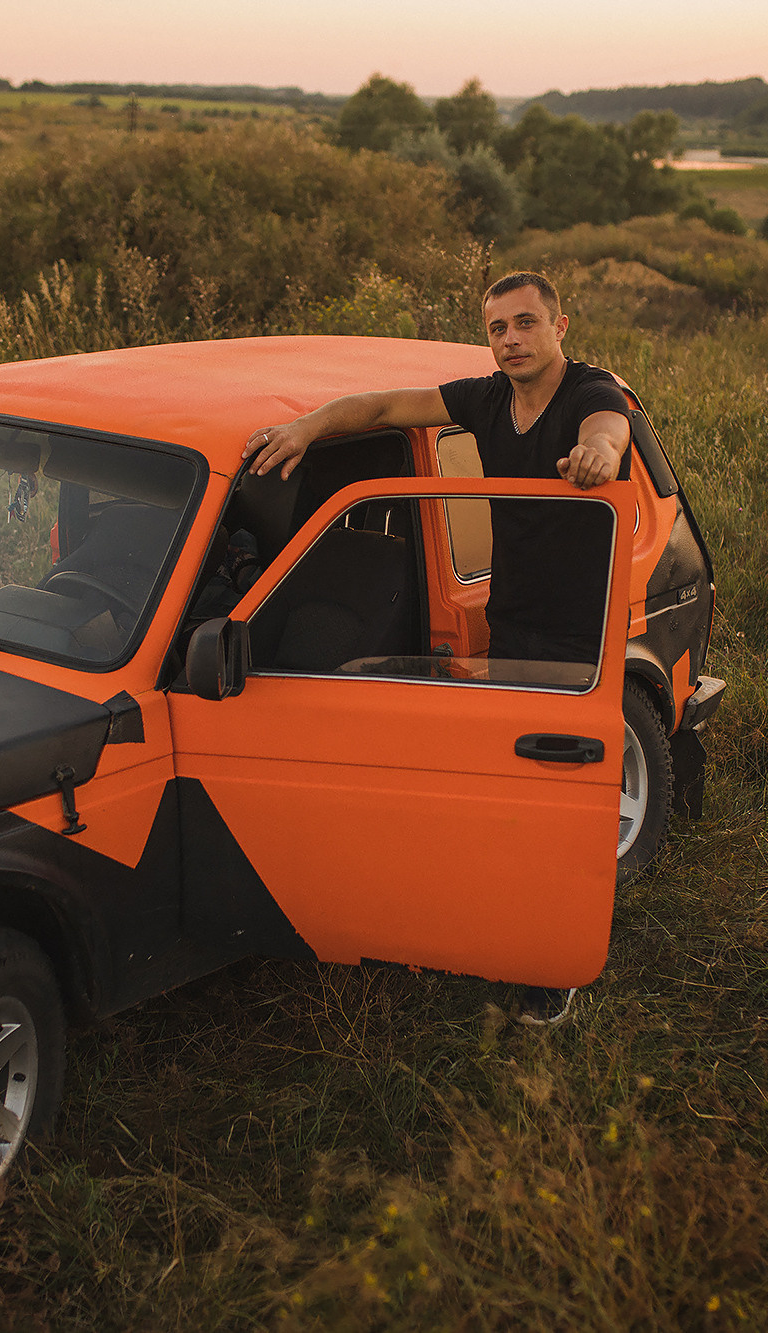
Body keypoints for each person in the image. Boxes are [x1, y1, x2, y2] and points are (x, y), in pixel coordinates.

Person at [242, 271, 633, 1027]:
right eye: (498, 329)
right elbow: (386, 406)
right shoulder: (486, 397)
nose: (512, 340)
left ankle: (552, 963)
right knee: (508, 790)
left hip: (583, 631)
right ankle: (498, 924)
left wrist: (597, 458)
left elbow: (607, 432)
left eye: (525, 323)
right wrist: (307, 428)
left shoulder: (589, 395)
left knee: (559, 801)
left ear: (560, 324)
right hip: (513, 616)